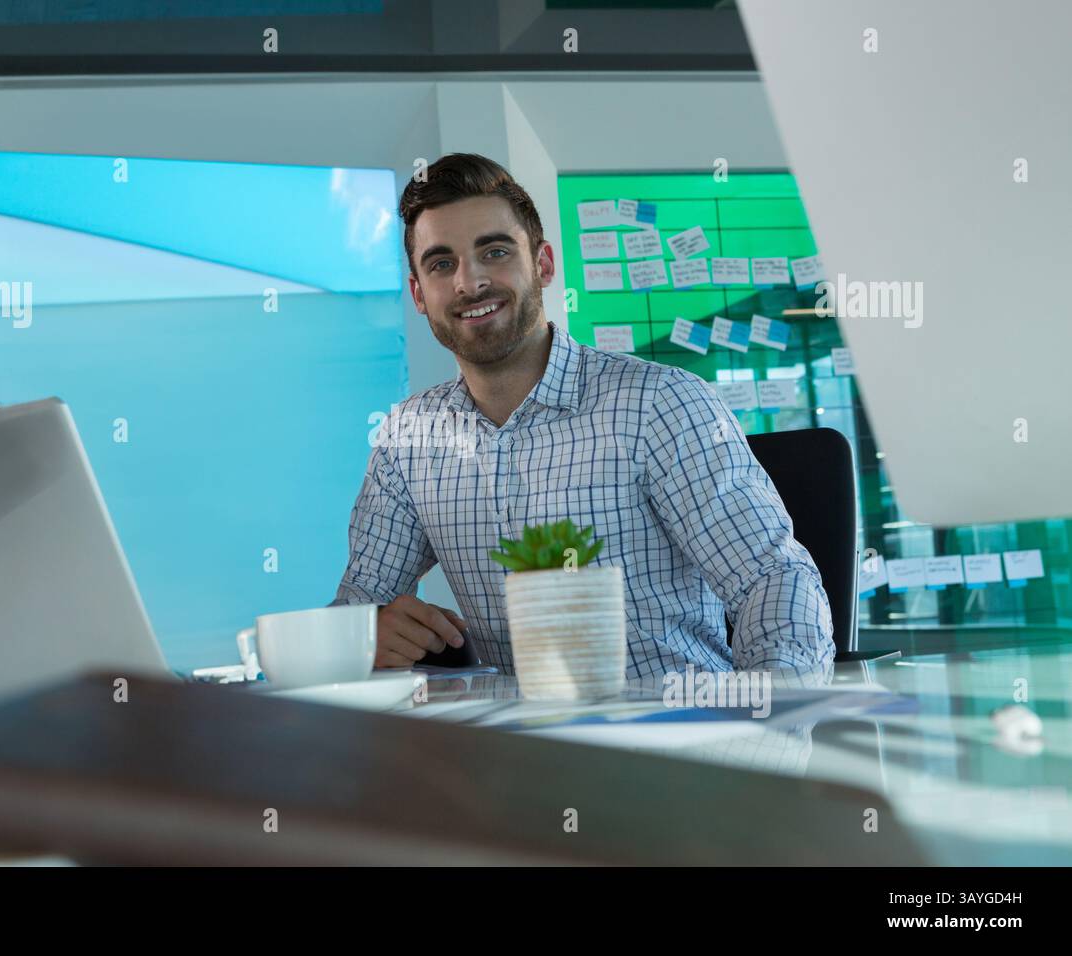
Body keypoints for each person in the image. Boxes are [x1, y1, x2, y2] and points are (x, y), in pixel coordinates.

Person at [333, 152, 833, 679]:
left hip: (683, 737)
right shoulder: (410, 439)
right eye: (441, 264)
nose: (469, 281)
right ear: (418, 293)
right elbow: (361, 604)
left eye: (495, 251)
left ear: (543, 264)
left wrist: (770, 726)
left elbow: (772, 578)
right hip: (525, 748)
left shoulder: (660, 404)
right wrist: (365, 634)